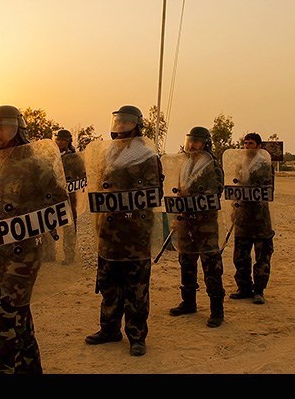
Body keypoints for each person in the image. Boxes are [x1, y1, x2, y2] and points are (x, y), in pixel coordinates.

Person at [0, 105, 67, 373]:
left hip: (25, 252)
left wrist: (28, 216)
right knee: (20, 313)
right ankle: (30, 367)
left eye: (1, 127)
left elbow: (59, 201)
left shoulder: (34, 164)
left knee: (7, 314)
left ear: (17, 129)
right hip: (1, 252)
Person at [84, 105, 162, 357]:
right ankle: (109, 329)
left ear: (137, 125)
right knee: (109, 284)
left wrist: (122, 198)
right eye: (118, 121)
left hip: (134, 233)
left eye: (126, 122)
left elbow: (154, 193)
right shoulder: (106, 153)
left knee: (136, 288)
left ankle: (137, 336)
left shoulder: (147, 155)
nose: (120, 126)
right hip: (108, 231)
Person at [167, 126, 226, 328]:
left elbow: (215, 192)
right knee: (186, 262)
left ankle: (216, 310)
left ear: (205, 143)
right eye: (190, 141)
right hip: (186, 222)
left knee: (211, 266)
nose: (191, 145)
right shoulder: (185, 164)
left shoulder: (212, 166)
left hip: (205, 224)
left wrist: (192, 199)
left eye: (196, 141)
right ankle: (188, 302)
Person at [229, 132, 274, 305]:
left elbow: (268, 190)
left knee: (262, 256)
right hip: (243, 216)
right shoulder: (240, 163)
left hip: (260, 217)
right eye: (245, 143)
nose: (247, 146)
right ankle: (244, 288)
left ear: (259, 146)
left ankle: (259, 290)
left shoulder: (264, 164)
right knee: (240, 256)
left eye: (251, 143)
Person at [55, 129, 83, 265]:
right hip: (54, 194)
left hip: (69, 196)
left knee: (69, 225)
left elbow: (82, 175)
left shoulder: (74, 157)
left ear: (67, 141)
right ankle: (50, 253)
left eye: (62, 140)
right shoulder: (52, 155)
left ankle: (69, 255)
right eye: (58, 139)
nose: (59, 142)